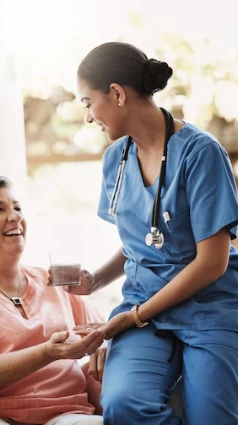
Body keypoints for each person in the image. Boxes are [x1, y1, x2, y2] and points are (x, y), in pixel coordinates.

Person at [67, 41, 238, 425]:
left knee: (213, 418)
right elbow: (141, 241)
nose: (88, 117)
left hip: (208, 306)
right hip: (144, 306)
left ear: (116, 93)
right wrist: (95, 280)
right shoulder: (116, 159)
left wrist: (136, 316)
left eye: (87, 102)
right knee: (124, 405)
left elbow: (213, 262)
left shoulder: (200, 154)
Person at [0, 176, 106, 425]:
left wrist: (105, 345)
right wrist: (48, 353)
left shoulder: (49, 280)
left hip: (65, 410)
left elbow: (104, 332)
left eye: (17, 208)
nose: (15, 216)